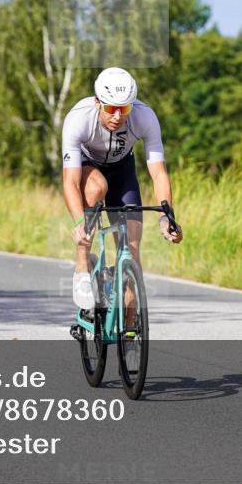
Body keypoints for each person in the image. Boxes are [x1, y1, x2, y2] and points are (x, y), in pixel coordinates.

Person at [61, 67, 183, 316]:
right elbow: (70, 182)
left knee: (131, 251)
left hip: (122, 169)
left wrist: (166, 216)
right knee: (97, 188)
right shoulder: (78, 118)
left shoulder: (145, 116)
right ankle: (82, 265)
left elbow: (159, 172)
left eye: (124, 109)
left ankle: (129, 335)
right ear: (98, 103)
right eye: (110, 108)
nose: (117, 116)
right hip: (87, 167)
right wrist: (78, 223)